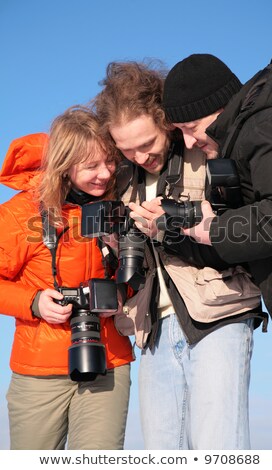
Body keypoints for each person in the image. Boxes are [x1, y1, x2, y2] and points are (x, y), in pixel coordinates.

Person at [93, 61, 268, 450]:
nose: (139, 157)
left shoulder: (208, 152)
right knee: (163, 452)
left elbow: (244, 239)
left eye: (146, 144)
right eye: (126, 150)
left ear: (167, 122)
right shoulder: (121, 178)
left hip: (219, 315)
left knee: (218, 447)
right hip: (152, 327)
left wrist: (171, 230)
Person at [0, 106, 134, 450]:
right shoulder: (19, 214)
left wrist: (123, 294)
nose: (105, 174)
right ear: (63, 165)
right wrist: (33, 302)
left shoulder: (121, 204)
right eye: (91, 166)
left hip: (108, 360)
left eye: (109, 161)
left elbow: (140, 271)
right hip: (37, 369)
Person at [162, 52, 272, 368]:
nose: (188, 141)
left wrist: (214, 229)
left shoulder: (268, 127)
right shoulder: (254, 133)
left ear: (220, 108)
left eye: (191, 126)